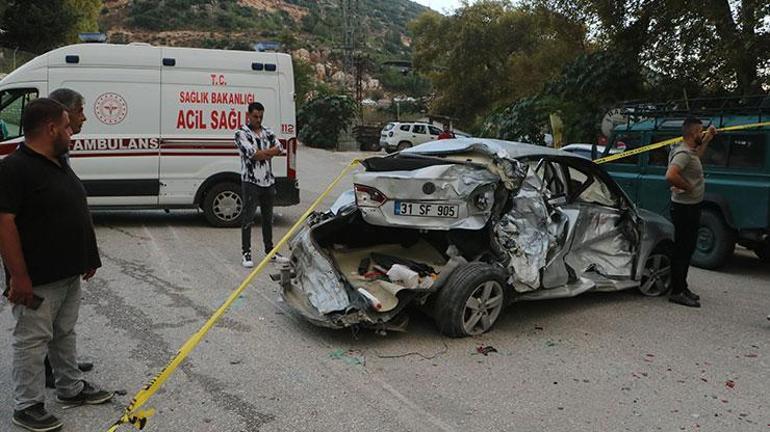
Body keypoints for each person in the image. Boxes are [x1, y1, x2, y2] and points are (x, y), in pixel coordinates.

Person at [0, 98, 112, 432]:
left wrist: (88, 255)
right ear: (50, 128)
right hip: (37, 278)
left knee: (64, 333)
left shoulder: (59, 161)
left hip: (68, 271)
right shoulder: (13, 168)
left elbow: (75, 205)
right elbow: (4, 224)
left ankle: (70, 388)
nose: (71, 132)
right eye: (66, 126)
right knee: (32, 340)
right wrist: (18, 276)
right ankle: (28, 406)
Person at [45, 88, 93, 388]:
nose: (83, 117)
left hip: (67, 253)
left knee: (62, 322)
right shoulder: (45, 154)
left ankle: (62, 365)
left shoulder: (63, 151)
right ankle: (49, 370)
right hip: (48, 258)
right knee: (46, 321)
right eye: (79, 111)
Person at [665, 116, 717, 308]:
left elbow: (697, 155)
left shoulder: (690, 152)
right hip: (684, 209)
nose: (702, 133)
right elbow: (671, 175)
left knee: (687, 249)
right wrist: (687, 187)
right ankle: (677, 291)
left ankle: (682, 286)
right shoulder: (683, 154)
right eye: (701, 131)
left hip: (690, 207)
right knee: (683, 249)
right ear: (694, 133)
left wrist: (709, 138)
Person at [235, 102, 286, 268]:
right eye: (255, 116)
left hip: (268, 181)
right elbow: (252, 155)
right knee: (248, 218)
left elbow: (280, 148)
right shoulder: (241, 133)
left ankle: (270, 251)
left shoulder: (267, 132)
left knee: (267, 218)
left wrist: (262, 154)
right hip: (250, 181)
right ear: (248, 115)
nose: (258, 119)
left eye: (260, 117)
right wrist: (268, 153)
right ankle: (246, 252)